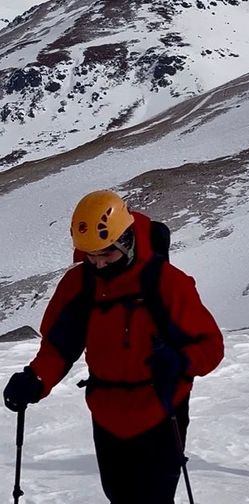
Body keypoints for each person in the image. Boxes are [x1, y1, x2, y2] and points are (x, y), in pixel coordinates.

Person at [2, 190, 224, 504]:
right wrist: (35, 380)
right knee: (119, 496)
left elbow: (211, 347)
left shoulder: (166, 283)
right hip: (107, 412)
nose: (99, 263)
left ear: (127, 239)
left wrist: (180, 362)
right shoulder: (79, 284)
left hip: (161, 408)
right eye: (91, 256)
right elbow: (59, 347)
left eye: (107, 253)